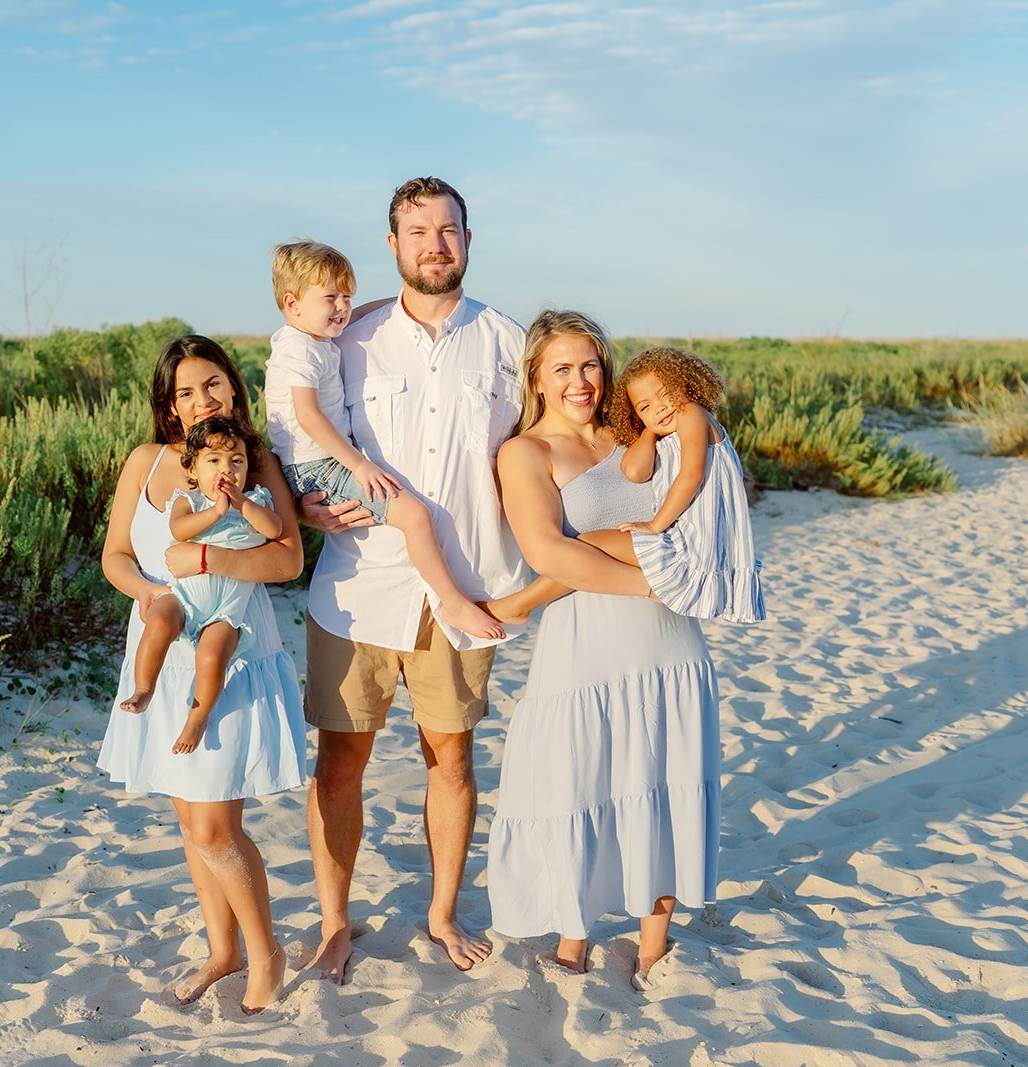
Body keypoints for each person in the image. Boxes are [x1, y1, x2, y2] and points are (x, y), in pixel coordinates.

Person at [298, 177, 531, 982]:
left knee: (453, 760)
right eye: (418, 231)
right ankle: (334, 924)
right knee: (340, 762)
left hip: (461, 587)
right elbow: (294, 428)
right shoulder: (347, 341)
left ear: (471, 240)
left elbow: (542, 454)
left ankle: (441, 913)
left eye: (450, 230)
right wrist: (303, 501)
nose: (436, 244)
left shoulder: (511, 344)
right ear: (392, 245)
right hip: (358, 585)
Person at [488, 310, 742, 992]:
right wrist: (657, 583)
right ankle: (575, 934)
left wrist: (679, 579)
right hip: (584, 646)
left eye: (591, 364)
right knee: (581, 781)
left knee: (660, 781)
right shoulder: (525, 452)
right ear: (537, 376)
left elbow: (701, 494)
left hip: (667, 645)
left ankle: (653, 943)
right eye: (563, 368)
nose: (581, 381)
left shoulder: (637, 427)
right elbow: (549, 550)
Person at [97, 335, 308, 1014]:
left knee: (217, 825)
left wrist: (208, 561)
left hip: (232, 644)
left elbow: (286, 560)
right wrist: (152, 592)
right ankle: (224, 950)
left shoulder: (259, 462)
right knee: (191, 824)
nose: (199, 401)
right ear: (167, 405)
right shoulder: (147, 461)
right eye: (185, 391)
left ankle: (265, 951)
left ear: (235, 389)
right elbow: (117, 554)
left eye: (212, 384)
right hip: (162, 643)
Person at [263, 239, 505, 641]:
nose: (342, 307)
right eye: (330, 298)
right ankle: (453, 601)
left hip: (319, 463)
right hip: (318, 467)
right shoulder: (297, 349)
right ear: (293, 304)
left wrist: (400, 303)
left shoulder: (315, 337)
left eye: (346, 296)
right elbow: (308, 416)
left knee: (413, 515)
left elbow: (358, 313)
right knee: (414, 516)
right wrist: (359, 464)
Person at [488, 346, 765, 625]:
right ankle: (518, 605)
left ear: (687, 385)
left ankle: (520, 604)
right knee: (586, 544)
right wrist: (650, 429)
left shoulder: (693, 414)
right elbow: (634, 471)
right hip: (687, 539)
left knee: (587, 543)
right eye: (644, 406)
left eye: (666, 393)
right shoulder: (665, 434)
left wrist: (655, 526)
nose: (660, 407)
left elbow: (691, 476)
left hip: (695, 542)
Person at [119, 415, 284, 755]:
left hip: (228, 608)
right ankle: (144, 688)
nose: (226, 469)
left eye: (236, 461)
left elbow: (274, 530)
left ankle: (198, 716)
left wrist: (243, 505)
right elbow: (179, 530)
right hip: (184, 596)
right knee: (159, 620)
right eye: (213, 461)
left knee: (213, 655)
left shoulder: (256, 501)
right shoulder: (189, 501)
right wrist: (216, 513)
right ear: (193, 470)